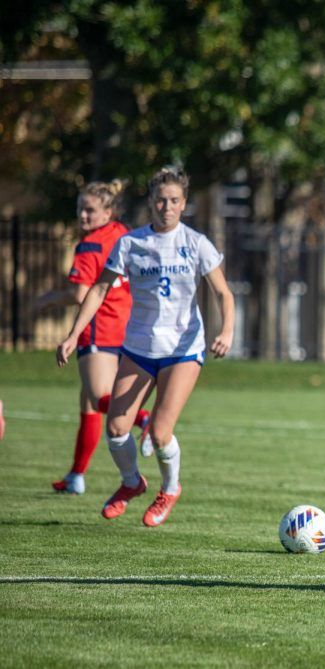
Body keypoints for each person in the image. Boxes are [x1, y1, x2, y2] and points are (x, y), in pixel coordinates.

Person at [56, 166, 235, 527]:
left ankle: (169, 489)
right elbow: (100, 290)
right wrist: (74, 334)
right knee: (117, 427)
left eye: (174, 201)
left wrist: (226, 331)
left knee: (159, 433)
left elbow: (223, 293)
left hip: (183, 349)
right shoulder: (131, 243)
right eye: (160, 200)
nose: (166, 207)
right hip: (139, 347)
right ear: (151, 202)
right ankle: (131, 483)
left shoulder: (195, 243)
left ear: (183, 204)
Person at [37, 181, 152, 494]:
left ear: (107, 212)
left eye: (90, 210)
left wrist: (48, 298)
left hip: (99, 327)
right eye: (80, 209)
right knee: (88, 401)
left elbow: (80, 294)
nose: (83, 216)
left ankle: (145, 420)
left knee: (100, 395)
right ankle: (76, 475)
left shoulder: (90, 245)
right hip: (127, 324)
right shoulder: (124, 234)